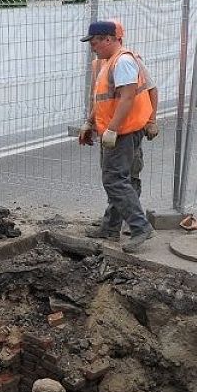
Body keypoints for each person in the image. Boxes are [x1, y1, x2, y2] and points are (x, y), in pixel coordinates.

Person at [77, 20, 158, 251]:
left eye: (95, 42)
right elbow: (103, 100)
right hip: (118, 130)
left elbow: (128, 97)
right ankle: (111, 228)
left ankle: (141, 228)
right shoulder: (106, 63)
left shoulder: (122, 61)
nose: (92, 47)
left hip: (122, 132)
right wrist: (89, 122)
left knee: (114, 180)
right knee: (122, 180)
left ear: (108, 39)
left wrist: (112, 129)